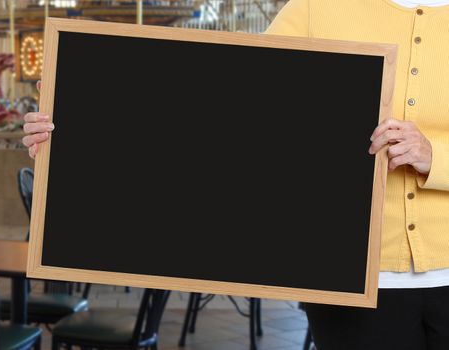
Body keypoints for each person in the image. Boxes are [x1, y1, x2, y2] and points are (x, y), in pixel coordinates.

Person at [23, 1, 449, 347]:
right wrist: (74, 125)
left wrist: (435, 156)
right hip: (355, 280)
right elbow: (232, 101)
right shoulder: (320, 6)